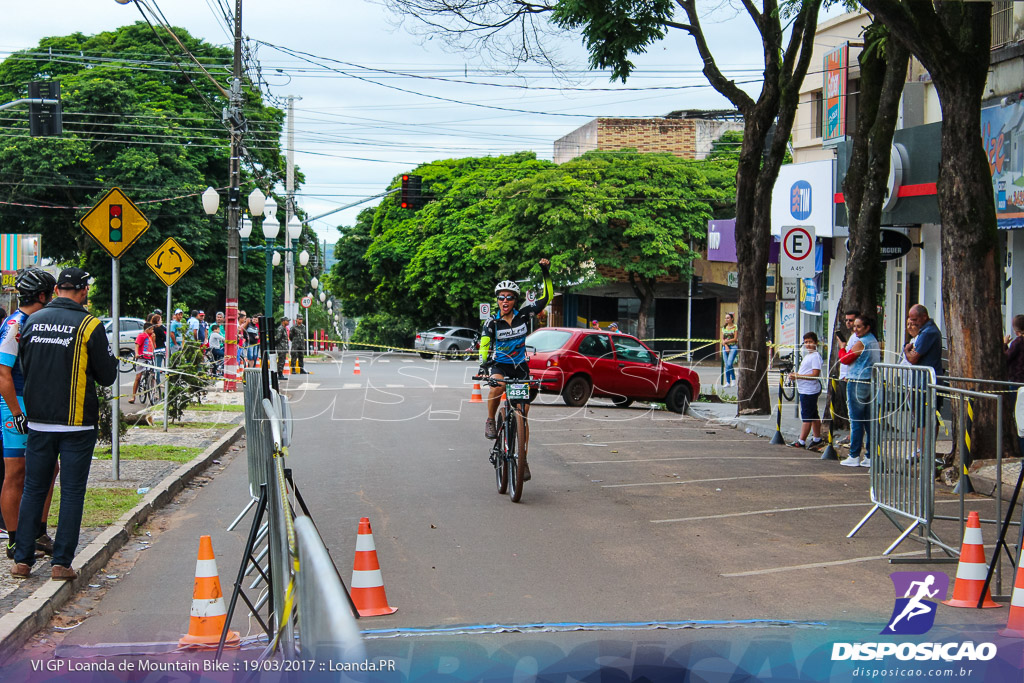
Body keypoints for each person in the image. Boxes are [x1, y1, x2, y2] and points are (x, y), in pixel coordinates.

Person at [10, 267, 119, 581]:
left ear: (57, 288)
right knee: (71, 493)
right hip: (76, 424)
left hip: (39, 421)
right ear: (83, 291)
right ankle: (61, 563)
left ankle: (22, 560)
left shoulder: (32, 321)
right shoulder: (89, 325)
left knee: (33, 489)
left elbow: (25, 365)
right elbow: (107, 376)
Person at [0, 268, 58, 561]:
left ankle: (38, 531)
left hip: (37, 402)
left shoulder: (39, 321)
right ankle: (13, 538)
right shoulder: (16, 324)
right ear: (43, 296)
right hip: (16, 402)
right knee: (17, 472)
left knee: (50, 468)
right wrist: (15, 412)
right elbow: (2, 372)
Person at [479, 258, 552, 482]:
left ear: (515, 300)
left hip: (520, 367)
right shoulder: (492, 323)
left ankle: (523, 458)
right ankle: (491, 419)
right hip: (500, 365)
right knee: (498, 385)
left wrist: (545, 272)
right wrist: (483, 364)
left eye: (509, 297)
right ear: (497, 300)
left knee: (524, 414)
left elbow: (547, 297)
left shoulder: (525, 314)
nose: (505, 301)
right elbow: (484, 344)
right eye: (501, 297)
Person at [838, 315, 880, 468]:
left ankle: (854, 454)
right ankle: (869, 455)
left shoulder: (861, 342)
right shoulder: (873, 340)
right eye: (854, 326)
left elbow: (845, 359)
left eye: (858, 327)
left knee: (856, 420)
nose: (855, 329)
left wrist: (842, 347)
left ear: (867, 327)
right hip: (871, 382)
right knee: (869, 421)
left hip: (857, 381)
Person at [789, 331, 824, 450]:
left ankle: (802, 441)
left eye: (810, 342)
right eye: (806, 342)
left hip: (809, 390)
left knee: (807, 416)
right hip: (805, 389)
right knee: (813, 415)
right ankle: (817, 438)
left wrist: (798, 376)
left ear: (816, 343)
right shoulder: (809, 356)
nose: (808, 344)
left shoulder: (815, 356)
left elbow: (815, 374)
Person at [129, 322, 155, 403]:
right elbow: (137, 345)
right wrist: (137, 354)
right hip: (142, 358)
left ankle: (153, 393)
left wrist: (154, 338)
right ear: (148, 329)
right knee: (138, 377)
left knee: (152, 376)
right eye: (152, 329)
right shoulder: (141, 336)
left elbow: (154, 346)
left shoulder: (152, 336)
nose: (153, 331)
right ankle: (133, 396)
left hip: (150, 358)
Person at [1005, 314, 1024, 384]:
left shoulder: (1018, 342)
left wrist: (1005, 344)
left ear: (1017, 331)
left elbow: (1006, 358)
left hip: (1017, 379)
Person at [721, 312, 738, 387]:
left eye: (728, 318)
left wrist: (727, 341)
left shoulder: (735, 327)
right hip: (725, 347)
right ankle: (728, 382)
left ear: (732, 319)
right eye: (725, 318)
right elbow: (722, 339)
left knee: (729, 363)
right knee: (726, 364)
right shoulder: (724, 328)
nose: (726, 319)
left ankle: (733, 379)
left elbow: (735, 338)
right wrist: (726, 345)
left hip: (733, 346)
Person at [149, 313, 167, 383]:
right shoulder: (159, 329)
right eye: (160, 320)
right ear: (157, 321)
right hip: (160, 348)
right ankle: (158, 382)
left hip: (154, 349)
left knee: (156, 365)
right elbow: (165, 337)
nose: (161, 321)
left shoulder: (152, 329)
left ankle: (155, 381)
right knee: (158, 367)